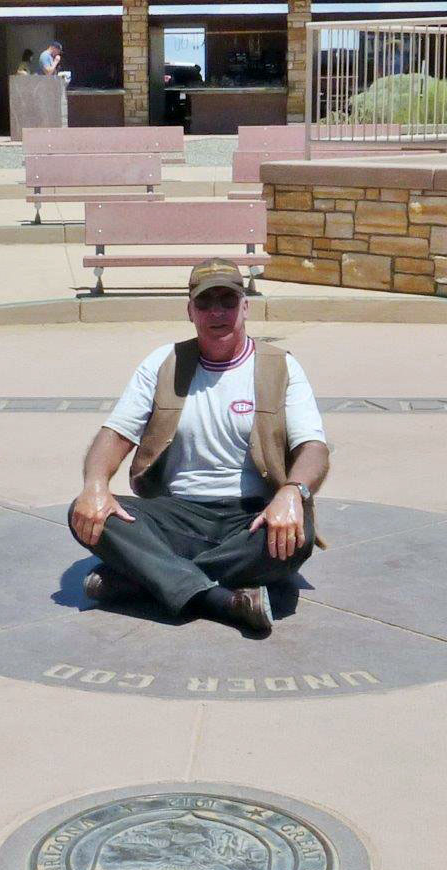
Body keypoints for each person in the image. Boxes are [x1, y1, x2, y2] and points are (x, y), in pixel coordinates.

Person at [68, 259, 330, 635]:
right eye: (206, 303)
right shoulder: (162, 364)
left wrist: (292, 491)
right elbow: (116, 433)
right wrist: (94, 485)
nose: (217, 312)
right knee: (85, 515)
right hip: (177, 515)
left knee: (297, 533)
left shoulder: (280, 367)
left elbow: (314, 449)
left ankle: (143, 576)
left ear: (245, 307)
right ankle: (224, 600)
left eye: (228, 300)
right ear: (190, 311)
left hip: (254, 518)